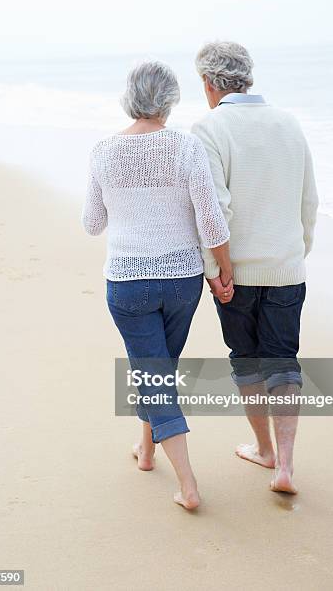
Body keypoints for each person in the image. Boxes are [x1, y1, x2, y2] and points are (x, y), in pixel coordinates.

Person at [82, 61, 232, 509]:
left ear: (130, 98)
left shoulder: (103, 151)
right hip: (182, 281)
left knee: (154, 376)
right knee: (158, 369)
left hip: (128, 283)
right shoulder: (185, 148)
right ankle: (146, 451)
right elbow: (211, 220)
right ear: (169, 100)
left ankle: (188, 485)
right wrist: (223, 271)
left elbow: (92, 224)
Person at [192, 41, 319, 494]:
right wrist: (295, 253)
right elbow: (309, 201)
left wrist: (215, 270)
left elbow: (213, 211)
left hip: (237, 274)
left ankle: (263, 449)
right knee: (283, 361)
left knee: (246, 361)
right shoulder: (289, 123)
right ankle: (284, 465)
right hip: (286, 268)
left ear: (208, 84)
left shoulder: (209, 127)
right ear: (247, 76)